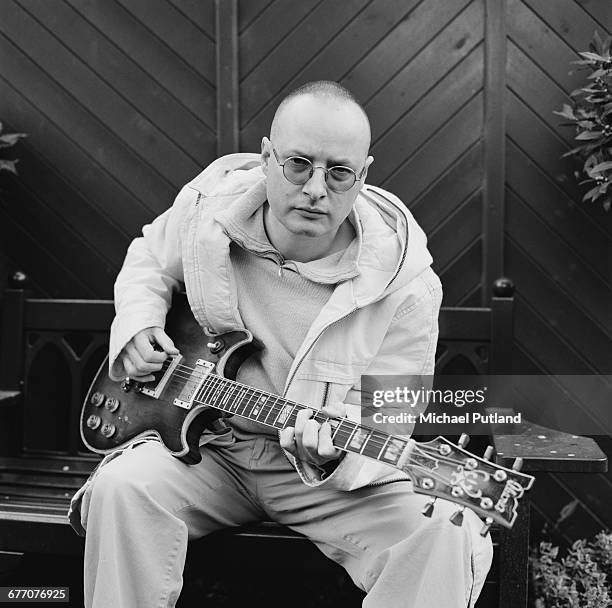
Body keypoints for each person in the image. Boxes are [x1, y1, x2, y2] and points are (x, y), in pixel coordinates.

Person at [69, 80, 492, 607]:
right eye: (298, 164)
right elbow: (149, 261)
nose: (316, 188)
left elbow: (387, 421)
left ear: (362, 177)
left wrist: (334, 456)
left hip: (321, 483)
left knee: (440, 531)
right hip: (209, 451)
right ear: (267, 158)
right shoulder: (208, 213)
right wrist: (136, 326)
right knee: (122, 489)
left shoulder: (405, 286)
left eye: (338, 172)